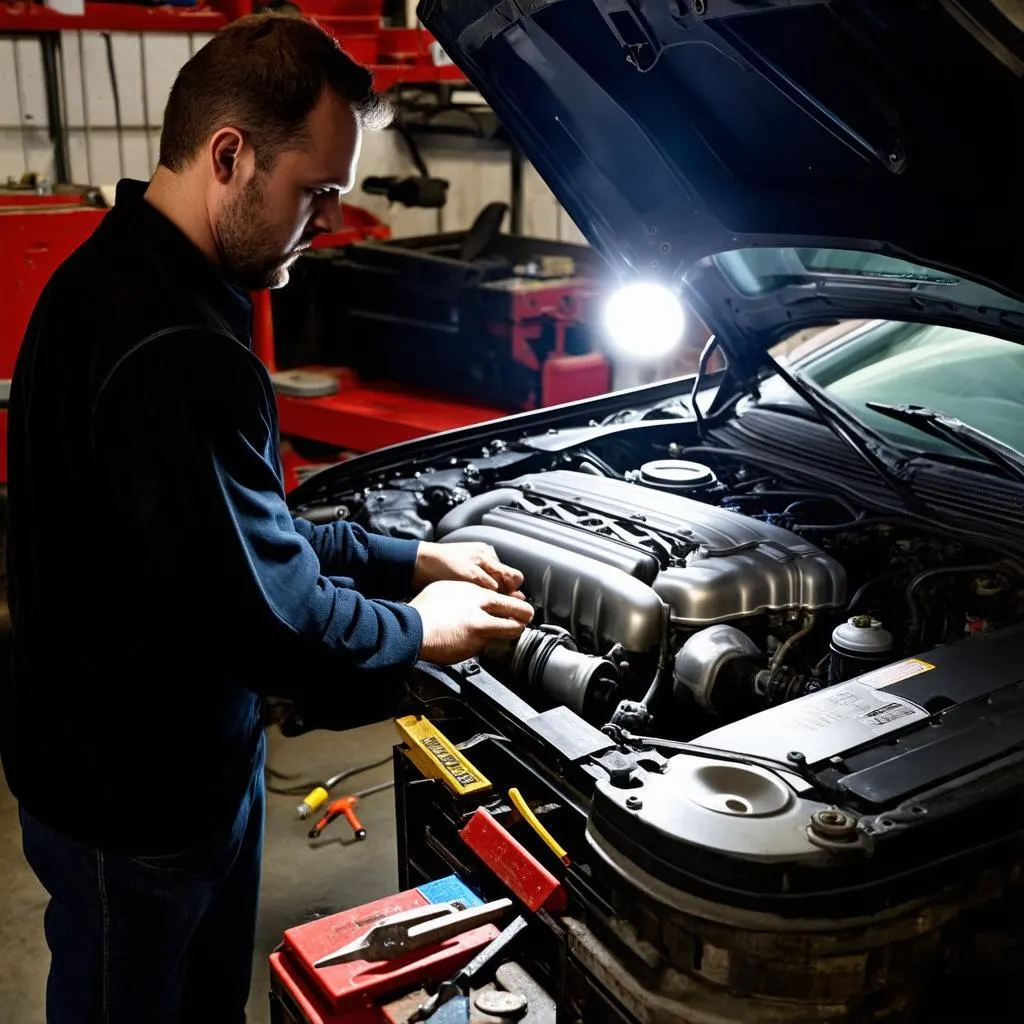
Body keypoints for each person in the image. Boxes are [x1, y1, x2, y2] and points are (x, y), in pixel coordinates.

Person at [0, 14, 534, 1024]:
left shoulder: (114, 279)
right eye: (315, 193)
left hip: (143, 761)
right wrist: (425, 631)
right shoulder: (169, 345)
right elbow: (273, 619)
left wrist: (414, 556)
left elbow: (248, 533)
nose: (325, 222)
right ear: (231, 155)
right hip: (136, 802)